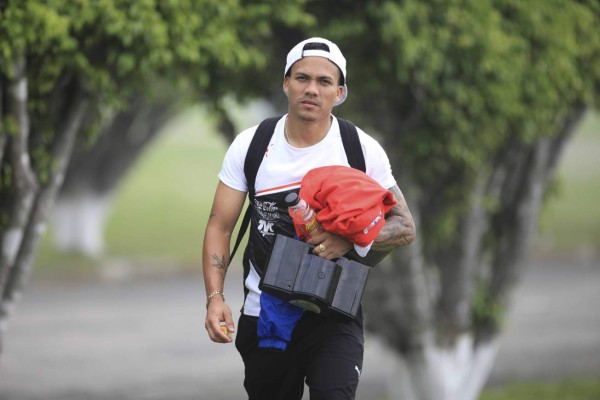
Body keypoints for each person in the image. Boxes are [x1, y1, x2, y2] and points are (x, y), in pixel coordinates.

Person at [203, 37, 416, 400]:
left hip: (335, 314)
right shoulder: (252, 144)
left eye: (324, 81)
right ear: (286, 83)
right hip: (265, 314)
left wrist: (348, 240)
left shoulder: (359, 148)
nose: (312, 89)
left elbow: (404, 227)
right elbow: (219, 226)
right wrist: (215, 297)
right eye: (302, 78)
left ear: (340, 92)